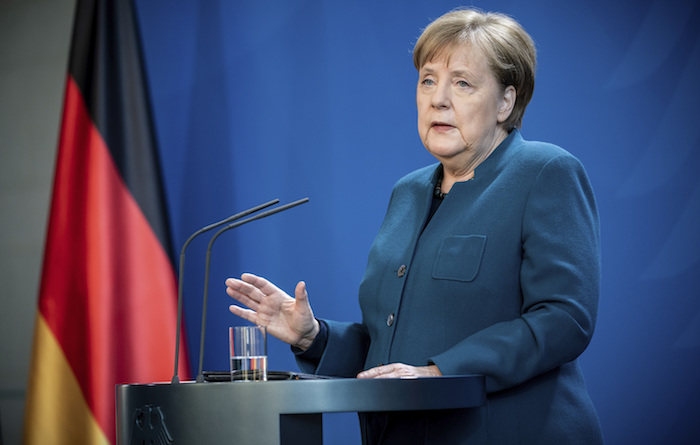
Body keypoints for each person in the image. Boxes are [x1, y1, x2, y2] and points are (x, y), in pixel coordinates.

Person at [226, 7, 603, 445]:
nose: (438, 99)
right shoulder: (408, 192)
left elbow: (563, 318)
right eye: (428, 80)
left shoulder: (544, 172)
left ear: (506, 102)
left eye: (462, 83)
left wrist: (440, 372)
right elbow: (390, 343)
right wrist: (314, 336)